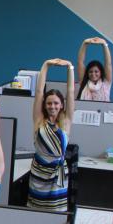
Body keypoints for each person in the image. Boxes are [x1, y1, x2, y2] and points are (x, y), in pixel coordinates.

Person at [28, 58, 75, 212]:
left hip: (58, 174)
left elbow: (71, 91)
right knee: (36, 211)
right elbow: (40, 91)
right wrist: (46, 65)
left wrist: (70, 68)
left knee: (56, 212)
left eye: (56, 103)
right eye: (49, 103)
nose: (52, 106)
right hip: (39, 173)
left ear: (62, 104)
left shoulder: (66, 121)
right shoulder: (39, 121)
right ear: (45, 105)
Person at [77, 37, 113, 102]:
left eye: (96, 71)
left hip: (104, 111)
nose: (93, 74)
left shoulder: (106, 82)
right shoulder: (83, 82)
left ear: (101, 72)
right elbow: (80, 61)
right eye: (90, 72)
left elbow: (108, 63)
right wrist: (85, 43)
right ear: (87, 73)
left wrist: (104, 44)